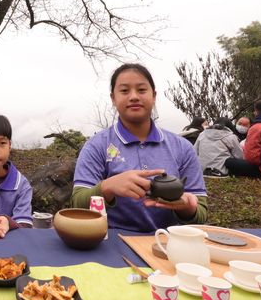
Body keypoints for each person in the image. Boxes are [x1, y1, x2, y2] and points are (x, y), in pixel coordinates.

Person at [71, 63, 208, 232]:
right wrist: (107, 187)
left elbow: (201, 213)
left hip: (167, 242)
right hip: (111, 242)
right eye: (124, 91)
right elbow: (77, 203)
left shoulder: (182, 148)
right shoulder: (97, 146)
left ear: (154, 95)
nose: (134, 96)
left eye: (142, 90)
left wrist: (187, 206)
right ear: (113, 98)